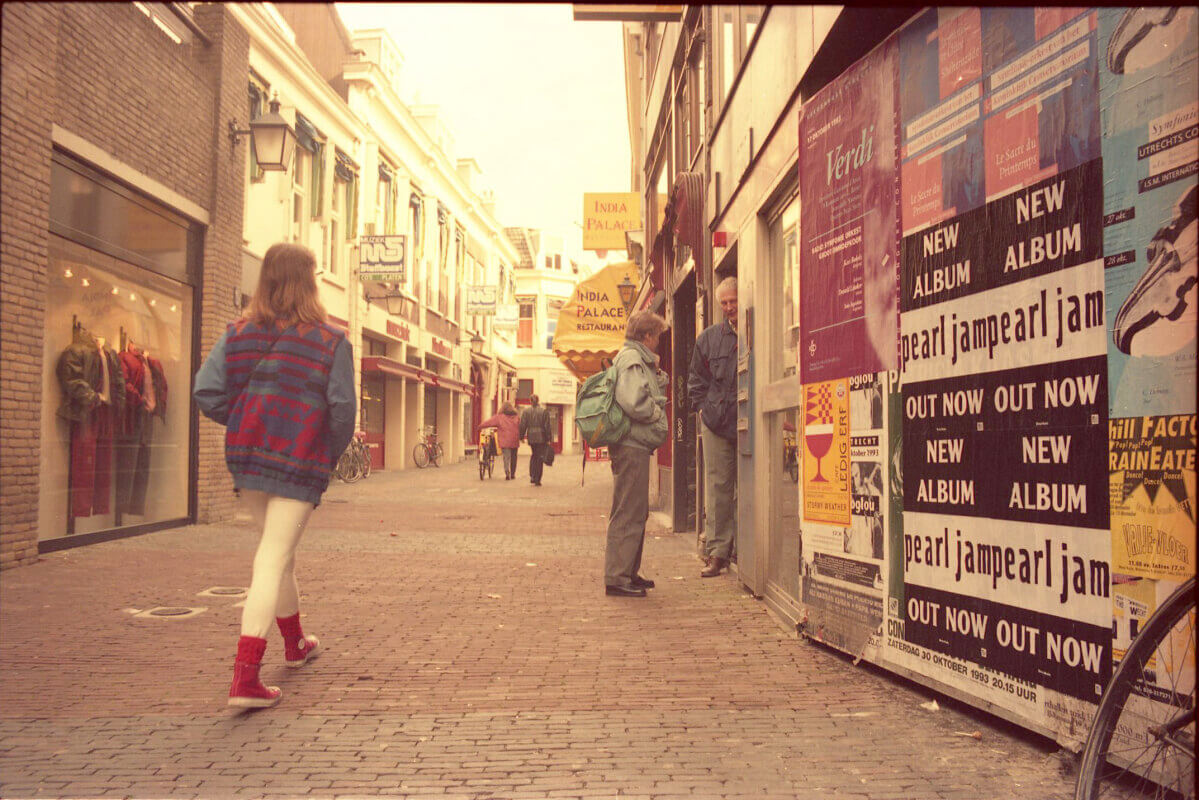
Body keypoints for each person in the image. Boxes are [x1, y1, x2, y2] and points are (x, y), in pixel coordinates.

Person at [194, 242, 356, 709]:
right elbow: (342, 410)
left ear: (265, 279)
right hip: (298, 461)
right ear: (309, 282)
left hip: (248, 460)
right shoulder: (330, 341)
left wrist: (246, 420)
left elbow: (207, 392)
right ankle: (245, 678)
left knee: (278, 553)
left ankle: (295, 643)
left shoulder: (237, 333)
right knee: (272, 558)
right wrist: (324, 451)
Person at [605, 310, 670, 597]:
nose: (658, 342)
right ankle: (618, 577)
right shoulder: (631, 359)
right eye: (657, 336)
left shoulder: (636, 359)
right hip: (631, 445)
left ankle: (628, 571)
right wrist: (655, 410)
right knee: (629, 511)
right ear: (646, 336)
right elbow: (634, 400)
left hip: (635, 445)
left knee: (635, 509)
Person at [688, 277, 738, 578]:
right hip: (716, 423)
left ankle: (745, 549)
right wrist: (704, 409)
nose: (729, 307)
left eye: (733, 301)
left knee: (750, 485)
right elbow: (695, 380)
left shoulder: (757, 330)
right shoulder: (707, 338)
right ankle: (718, 553)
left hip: (749, 420)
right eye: (724, 303)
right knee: (718, 488)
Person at [479, 402, 521, 480]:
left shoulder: (499, 417)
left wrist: (480, 426)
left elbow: (489, 422)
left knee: (506, 457)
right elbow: (521, 426)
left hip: (505, 440)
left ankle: (507, 472)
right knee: (514, 457)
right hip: (514, 439)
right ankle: (513, 474)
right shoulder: (516, 417)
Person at [518, 394, 553, 486]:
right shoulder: (543, 411)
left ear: (530, 401)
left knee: (534, 455)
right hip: (541, 437)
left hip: (531, 437)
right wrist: (549, 438)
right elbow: (547, 426)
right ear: (538, 401)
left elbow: (523, 425)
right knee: (539, 457)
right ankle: (537, 478)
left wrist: (521, 437)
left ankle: (532, 475)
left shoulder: (526, 412)